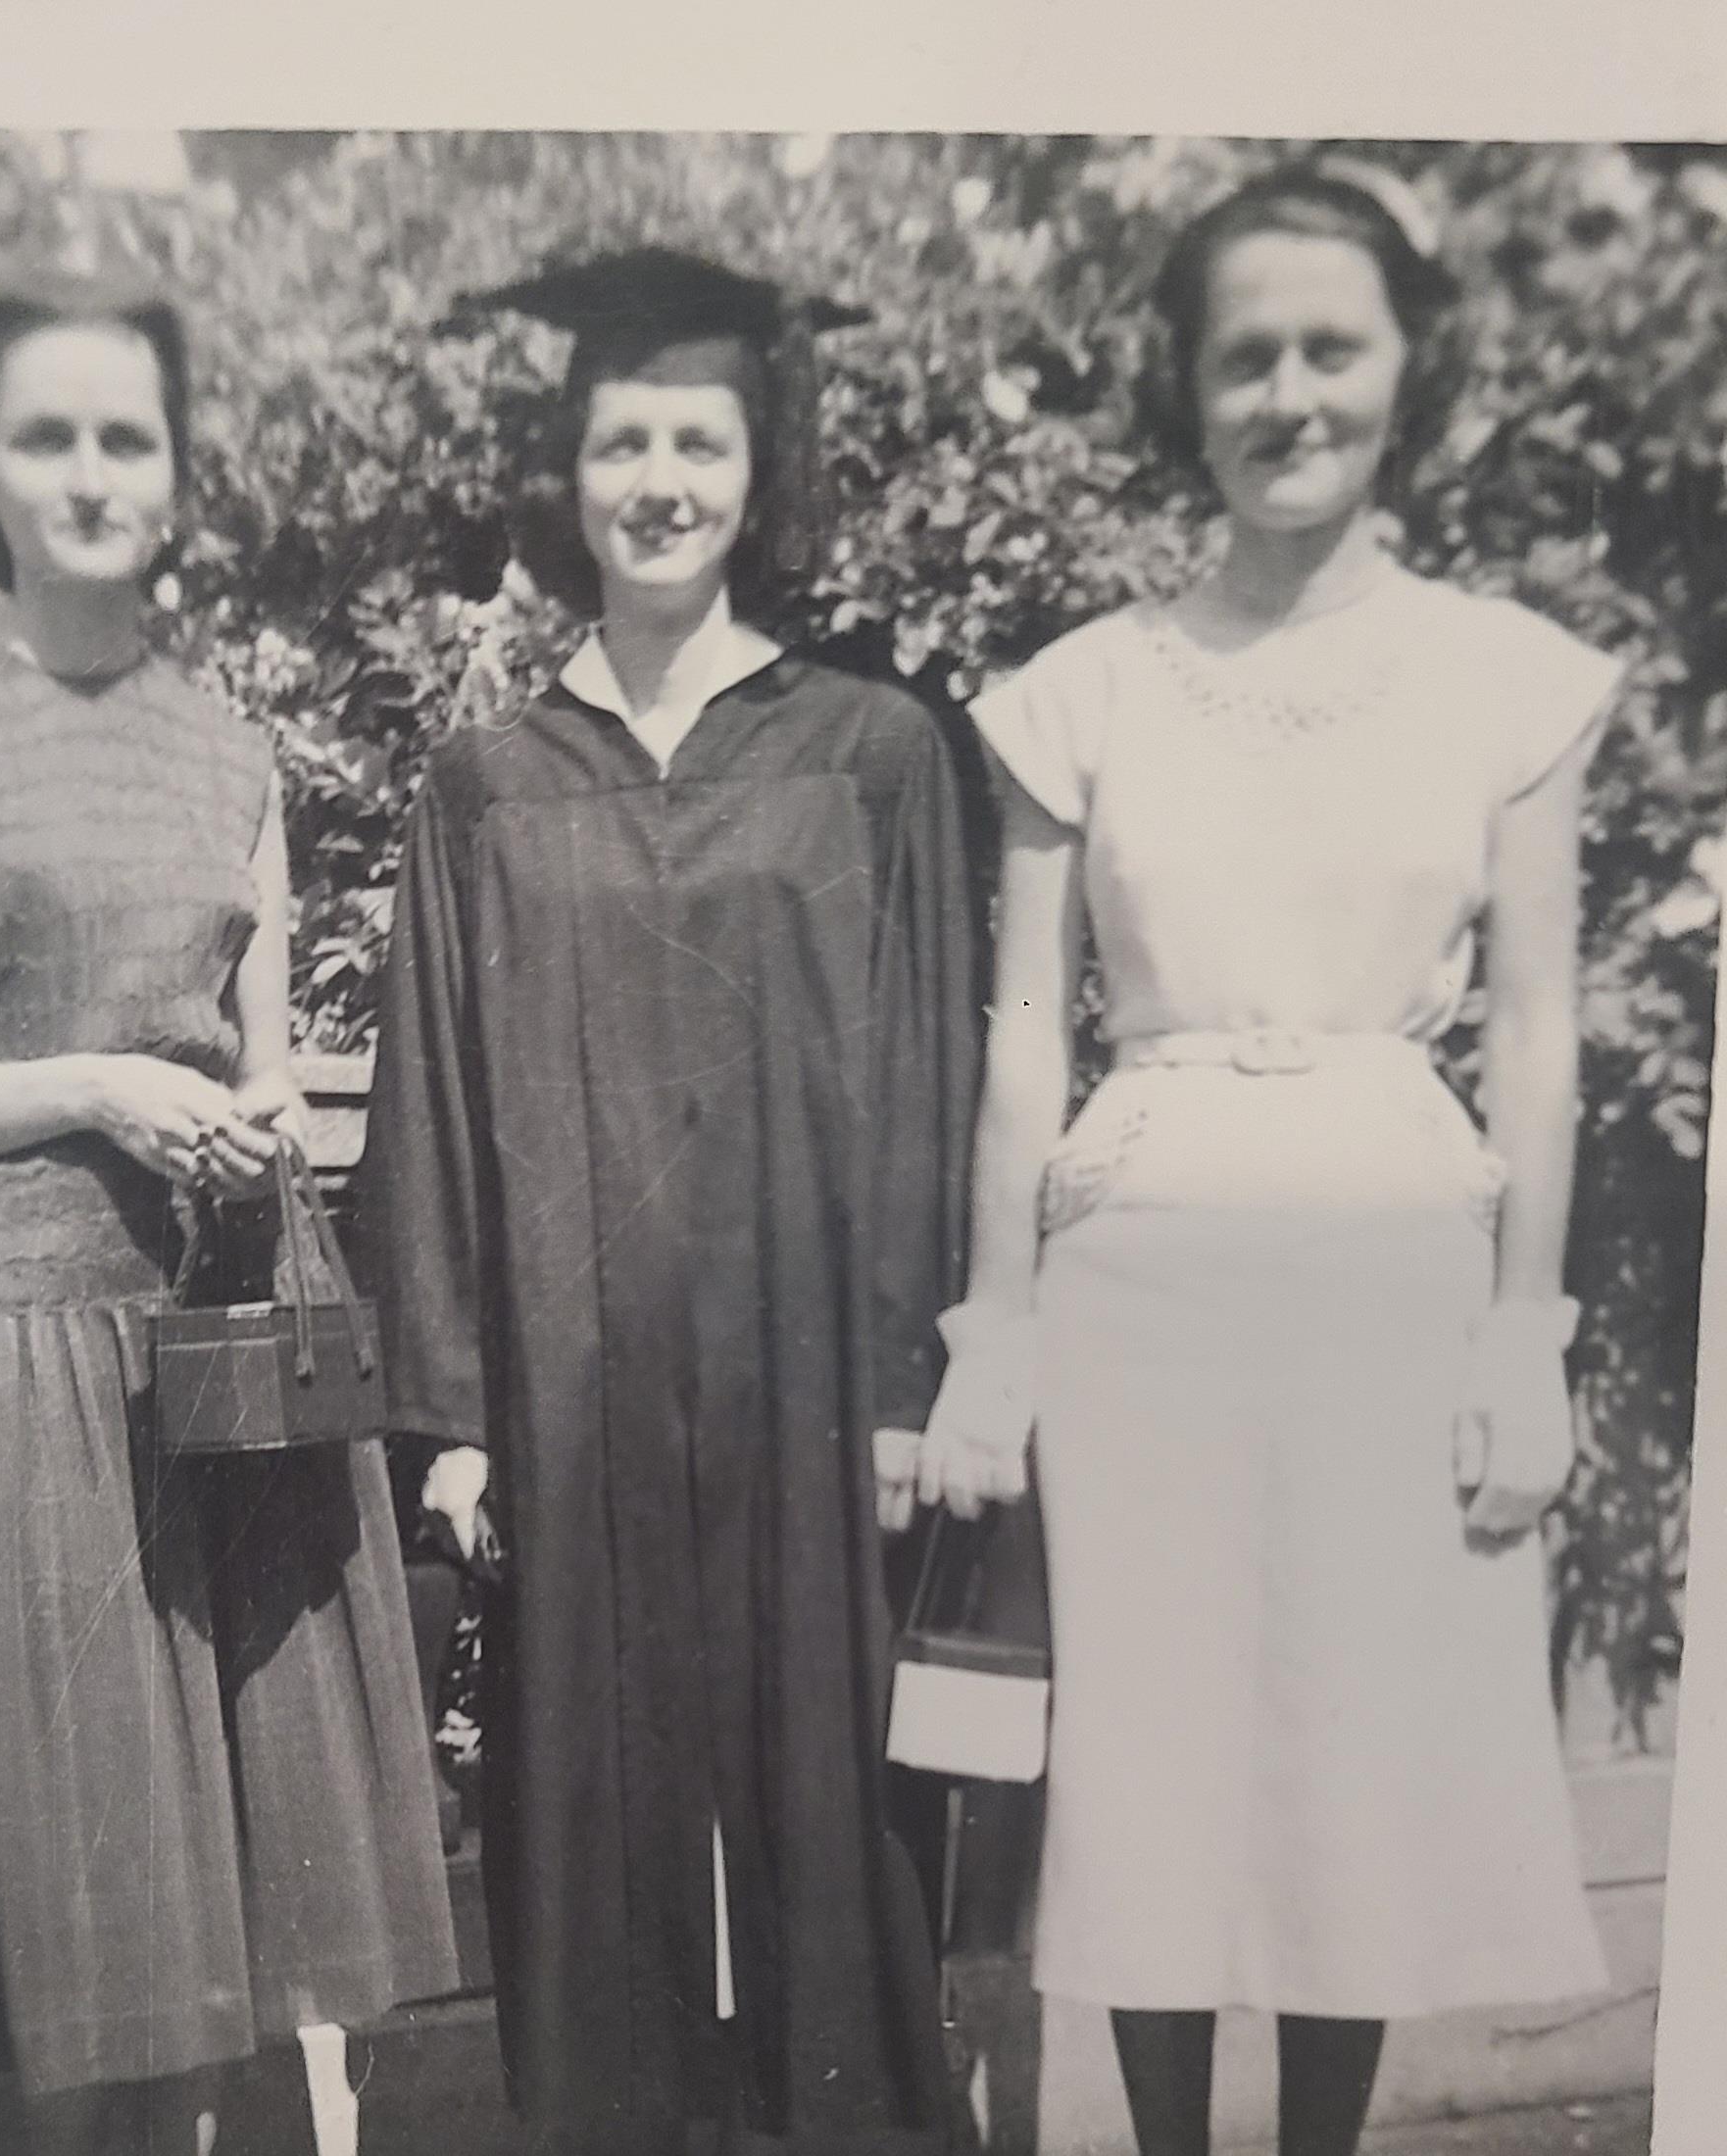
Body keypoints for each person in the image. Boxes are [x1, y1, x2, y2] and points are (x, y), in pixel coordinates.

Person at [911, 166, 1620, 2156]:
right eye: (1244, 355)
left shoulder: (1506, 677)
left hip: (1394, 1268)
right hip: (1140, 1282)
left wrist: (1522, 1330)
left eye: (1330, 345)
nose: (1286, 392)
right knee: (1143, 1781)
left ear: (1408, 363)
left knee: (1342, 1773)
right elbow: (1025, 1029)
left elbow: (1541, 1029)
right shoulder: (1084, 687)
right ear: (1184, 388)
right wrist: (998, 1322)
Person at [0, 272, 458, 2156]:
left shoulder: (233, 751)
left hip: (227, 1366)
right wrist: (91, 1088)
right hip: (21, 1361)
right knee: (98, 1934)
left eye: (125, 437)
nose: (90, 474)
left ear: (175, 473)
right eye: (46, 437)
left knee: (240, 1927)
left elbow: (260, 1068)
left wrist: (248, 1127)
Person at [368, 247, 980, 2155]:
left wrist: (903, 1377)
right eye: (618, 435)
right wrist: (453, 1414)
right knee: (585, 1804)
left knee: (827, 1806)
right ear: (565, 472)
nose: (654, 474)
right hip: (573, 1379)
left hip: (810, 1382)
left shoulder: (867, 748)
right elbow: (438, 1093)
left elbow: (924, 1086)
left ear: (750, 468)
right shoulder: (482, 783)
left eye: (693, 437)